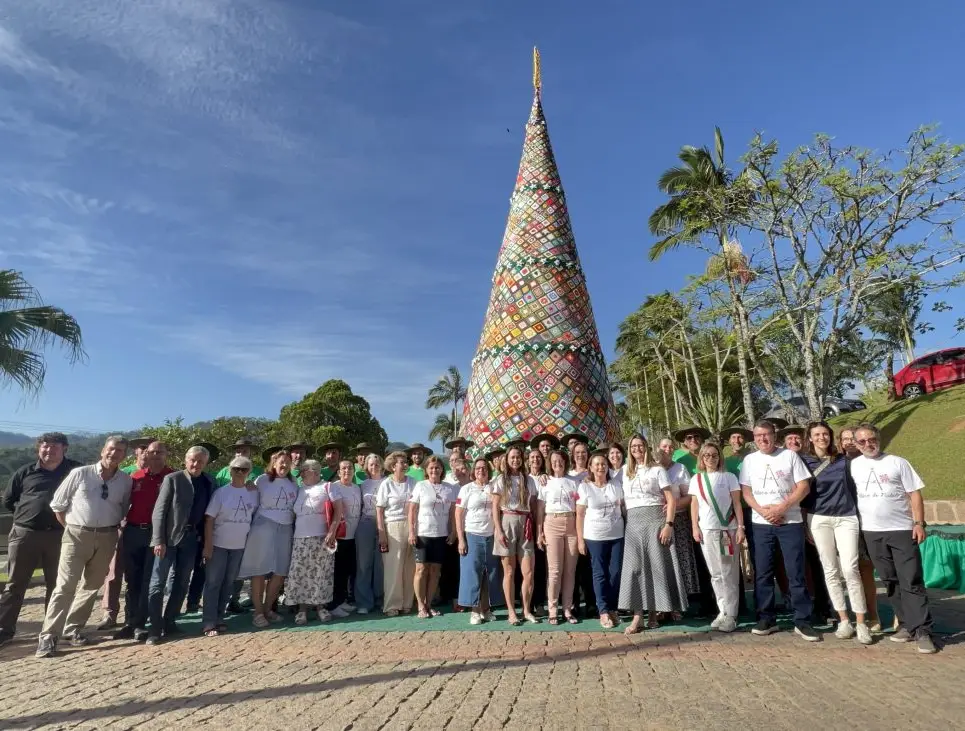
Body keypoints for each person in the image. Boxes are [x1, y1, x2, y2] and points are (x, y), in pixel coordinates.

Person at [35, 436, 132, 658]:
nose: (114, 454)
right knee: (65, 586)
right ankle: (48, 637)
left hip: (108, 535)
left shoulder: (125, 481)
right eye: (111, 449)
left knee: (91, 586)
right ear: (102, 451)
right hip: (77, 534)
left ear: (124, 456)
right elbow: (58, 505)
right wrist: (71, 529)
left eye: (119, 451)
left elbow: (124, 507)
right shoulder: (80, 473)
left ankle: (73, 629)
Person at [851, 423, 936, 654]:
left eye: (871, 439)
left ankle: (923, 631)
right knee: (889, 580)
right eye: (862, 441)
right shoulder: (854, 466)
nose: (868, 444)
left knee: (911, 580)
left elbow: (914, 494)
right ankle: (907, 624)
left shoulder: (898, 462)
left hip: (901, 530)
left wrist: (919, 523)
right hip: (871, 532)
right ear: (856, 445)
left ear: (878, 439)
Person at [739, 420, 818, 641]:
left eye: (766, 434)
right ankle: (766, 618)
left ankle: (802, 620)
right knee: (763, 572)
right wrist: (763, 512)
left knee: (795, 571)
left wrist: (783, 507)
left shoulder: (789, 456)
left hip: (789, 522)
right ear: (753, 439)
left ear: (774, 435)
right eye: (757, 436)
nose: (762, 439)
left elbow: (804, 486)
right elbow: (746, 492)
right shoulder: (749, 460)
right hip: (761, 523)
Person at [0, 432, 80, 647]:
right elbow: (9, 500)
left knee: (57, 585)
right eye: (45, 447)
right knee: (15, 584)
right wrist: (28, 515)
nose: (49, 451)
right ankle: (4, 630)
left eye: (54, 447)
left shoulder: (76, 471)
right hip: (25, 534)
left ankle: (51, 631)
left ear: (65, 449)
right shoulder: (25, 472)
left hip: (60, 536)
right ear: (39, 449)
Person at [802, 421, 872, 644]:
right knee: (829, 569)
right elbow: (802, 494)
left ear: (830, 437)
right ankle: (843, 619)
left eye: (825, 434)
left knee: (850, 568)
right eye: (817, 434)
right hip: (819, 518)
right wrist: (805, 523)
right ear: (810, 438)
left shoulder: (843, 460)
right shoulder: (804, 461)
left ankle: (861, 622)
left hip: (845, 517)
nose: (822, 437)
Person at [146, 445, 216, 645]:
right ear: (186, 460)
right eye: (193, 460)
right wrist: (158, 540)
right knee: (157, 583)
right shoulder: (173, 479)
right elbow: (159, 512)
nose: (196, 464)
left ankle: (170, 622)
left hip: (192, 539)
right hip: (168, 539)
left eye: (200, 461)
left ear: (206, 463)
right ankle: (154, 628)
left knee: (182, 583)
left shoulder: (209, 481)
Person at [620, 434, 688, 633]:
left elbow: (671, 499)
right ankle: (637, 616)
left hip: (655, 521)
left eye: (640, 445)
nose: (637, 449)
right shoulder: (625, 471)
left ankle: (652, 614)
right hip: (633, 523)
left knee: (655, 567)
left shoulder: (657, 469)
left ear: (646, 447)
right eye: (633, 446)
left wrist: (669, 524)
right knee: (635, 569)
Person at [112, 441, 172, 642]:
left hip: (156, 536)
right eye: (151, 451)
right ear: (146, 454)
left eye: (159, 452)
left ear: (166, 454)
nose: (155, 455)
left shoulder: (172, 477)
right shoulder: (135, 476)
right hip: (132, 532)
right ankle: (130, 622)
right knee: (132, 579)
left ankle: (141, 623)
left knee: (149, 580)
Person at [237, 450, 298, 628]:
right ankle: (257, 612)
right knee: (260, 570)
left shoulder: (293, 482)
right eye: (281, 462)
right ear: (274, 463)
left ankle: (266, 609)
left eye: (288, 462)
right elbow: (249, 497)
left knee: (280, 572)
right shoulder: (262, 480)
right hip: (264, 526)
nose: (284, 465)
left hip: (285, 527)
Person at [201, 456, 260, 636]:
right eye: (236, 469)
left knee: (228, 583)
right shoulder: (221, 493)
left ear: (249, 472)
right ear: (230, 470)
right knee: (213, 583)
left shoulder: (253, 492)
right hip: (219, 544)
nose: (240, 472)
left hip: (239, 546)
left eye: (244, 469)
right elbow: (209, 519)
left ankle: (220, 617)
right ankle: (208, 622)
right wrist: (208, 545)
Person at [689, 442, 745, 633]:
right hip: (707, 530)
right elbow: (694, 505)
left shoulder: (728, 477)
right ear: (701, 458)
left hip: (726, 531)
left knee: (729, 573)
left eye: (714, 455)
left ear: (719, 457)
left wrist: (740, 527)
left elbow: (737, 503)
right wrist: (695, 526)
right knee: (715, 574)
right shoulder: (696, 479)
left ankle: (731, 614)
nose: (711, 459)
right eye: (706, 456)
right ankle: (722, 610)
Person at [98, 436, 151, 630]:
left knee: (137, 575)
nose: (145, 451)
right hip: (120, 527)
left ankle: (137, 614)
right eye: (142, 447)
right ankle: (110, 613)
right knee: (113, 572)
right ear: (135, 451)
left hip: (142, 531)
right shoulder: (125, 473)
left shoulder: (157, 474)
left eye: (149, 448)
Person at [284, 459, 342, 625]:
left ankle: (320, 607)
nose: (301, 473)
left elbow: (338, 511)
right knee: (300, 573)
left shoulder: (328, 486)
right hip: (300, 537)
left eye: (304, 470)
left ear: (315, 472)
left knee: (320, 573)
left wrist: (332, 532)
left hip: (321, 537)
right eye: (301, 471)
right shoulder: (300, 489)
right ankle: (302, 609)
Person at [576, 452, 625, 630]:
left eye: (603, 464)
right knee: (599, 573)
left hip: (617, 535)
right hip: (595, 536)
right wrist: (580, 540)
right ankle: (603, 610)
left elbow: (623, 507)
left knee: (615, 572)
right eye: (596, 464)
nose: (600, 467)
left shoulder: (616, 484)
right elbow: (580, 514)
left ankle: (612, 607)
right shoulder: (585, 487)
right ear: (590, 467)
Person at [839, 426, 881, 630]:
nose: (848, 442)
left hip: (871, 522)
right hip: (846, 523)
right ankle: (860, 613)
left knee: (869, 569)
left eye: (851, 439)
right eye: (844, 439)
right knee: (852, 570)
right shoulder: (838, 464)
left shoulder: (874, 462)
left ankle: (875, 614)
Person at [492, 444, 538, 625]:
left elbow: (533, 504)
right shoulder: (500, 480)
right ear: (507, 459)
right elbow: (495, 507)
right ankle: (512, 611)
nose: (515, 460)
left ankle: (526, 610)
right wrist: (498, 529)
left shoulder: (529, 480)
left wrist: (535, 526)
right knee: (509, 572)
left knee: (528, 572)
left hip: (525, 522)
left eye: (518, 457)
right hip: (507, 521)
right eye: (512, 457)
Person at [407, 455, 456, 618]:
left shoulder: (449, 488)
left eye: (438, 467)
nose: (435, 470)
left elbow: (452, 513)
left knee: (435, 571)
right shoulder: (420, 486)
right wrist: (412, 532)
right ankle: (420, 605)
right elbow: (412, 511)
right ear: (426, 470)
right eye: (431, 468)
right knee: (421, 570)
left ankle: (429, 605)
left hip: (441, 535)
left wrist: (453, 531)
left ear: (442, 470)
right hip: (423, 534)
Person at [536, 450, 580, 625]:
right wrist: (540, 532)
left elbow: (578, 505)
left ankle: (567, 609)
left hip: (571, 523)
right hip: (552, 523)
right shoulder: (545, 482)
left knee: (570, 570)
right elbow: (540, 509)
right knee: (554, 571)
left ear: (566, 462)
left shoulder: (574, 482)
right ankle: (552, 609)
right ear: (550, 463)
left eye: (561, 460)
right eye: (554, 461)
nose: (558, 463)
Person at [455, 458, 501, 625]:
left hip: (491, 536)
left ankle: (486, 609)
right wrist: (461, 539)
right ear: (473, 471)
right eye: (478, 468)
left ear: (488, 470)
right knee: (472, 574)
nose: (481, 470)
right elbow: (458, 514)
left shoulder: (494, 487)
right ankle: (474, 611)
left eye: (484, 468)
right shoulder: (466, 489)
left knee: (489, 574)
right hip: (472, 535)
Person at [376, 451, 416, 616]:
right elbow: (379, 510)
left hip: (411, 526)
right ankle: (392, 605)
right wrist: (382, 533)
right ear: (393, 466)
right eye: (402, 462)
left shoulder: (413, 482)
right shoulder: (386, 484)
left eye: (406, 461)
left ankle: (407, 603)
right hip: (392, 526)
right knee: (393, 567)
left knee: (409, 567)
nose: (405, 464)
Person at [329, 460, 362, 617]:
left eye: (350, 467)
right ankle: (334, 604)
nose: (347, 470)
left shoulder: (356, 488)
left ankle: (342, 601)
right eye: (343, 468)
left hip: (353, 535)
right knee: (338, 571)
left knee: (348, 571)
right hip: (340, 535)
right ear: (338, 472)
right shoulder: (335, 487)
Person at [355, 453, 385, 615]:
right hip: (366, 523)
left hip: (384, 524)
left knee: (381, 564)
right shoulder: (362, 485)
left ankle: (380, 598)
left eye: (377, 463)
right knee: (363, 563)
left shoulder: (387, 482)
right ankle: (364, 601)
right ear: (367, 467)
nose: (374, 467)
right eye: (371, 464)